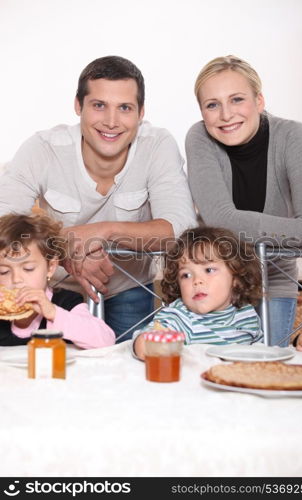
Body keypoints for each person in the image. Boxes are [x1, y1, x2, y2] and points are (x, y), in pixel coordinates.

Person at [0, 55, 197, 341]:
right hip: (54, 291)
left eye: (125, 108)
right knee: (54, 373)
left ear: (141, 113)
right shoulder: (42, 149)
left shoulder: (157, 145)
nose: (111, 121)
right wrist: (68, 252)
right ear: (78, 106)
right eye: (99, 105)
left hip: (129, 288)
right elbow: (3, 224)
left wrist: (102, 232)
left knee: (129, 373)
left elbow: (181, 231)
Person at [185, 55, 302, 347]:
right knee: (211, 372)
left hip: (275, 279)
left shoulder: (292, 136)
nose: (225, 114)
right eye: (212, 105)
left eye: (237, 99)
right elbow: (223, 221)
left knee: (268, 370)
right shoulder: (199, 137)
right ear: (202, 111)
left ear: (259, 101)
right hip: (215, 282)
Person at [132, 226, 263, 360]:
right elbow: (146, 341)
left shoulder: (246, 313)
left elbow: (260, 355)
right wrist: (152, 343)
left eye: (209, 270)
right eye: (186, 275)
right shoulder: (180, 316)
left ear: (235, 277)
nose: (197, 281)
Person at [0, 213, 115, 349]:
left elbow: (106, 340)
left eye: (28, 268)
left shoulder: (66, 302)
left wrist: (53, 312)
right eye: (4, 271)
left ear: (51, 267)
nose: (16, 279)